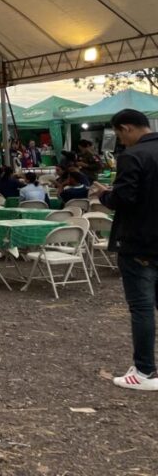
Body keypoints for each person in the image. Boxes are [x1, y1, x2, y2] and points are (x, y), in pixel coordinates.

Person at [91, 109, 158, 390]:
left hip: (140, 241)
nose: (120, 140)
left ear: (127, 128)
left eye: (119, 134)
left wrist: (105, 194)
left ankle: (144, 371)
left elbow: (126, 199)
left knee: (142, 307)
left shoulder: (133, 156)